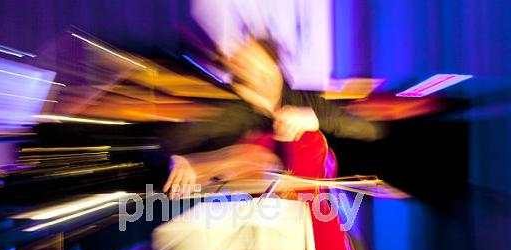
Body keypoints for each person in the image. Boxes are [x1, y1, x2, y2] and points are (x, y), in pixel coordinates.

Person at [162, 37, 382, 196]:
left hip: (317, 213)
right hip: (252, 215)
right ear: (240, 78)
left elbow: (369, 129)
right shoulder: (232, 113)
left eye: (263, 67)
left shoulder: (308, 101)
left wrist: (314, 119)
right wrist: (180, 160)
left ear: (276, 65)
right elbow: (178, 141)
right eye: (248, 70)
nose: (259, 76)